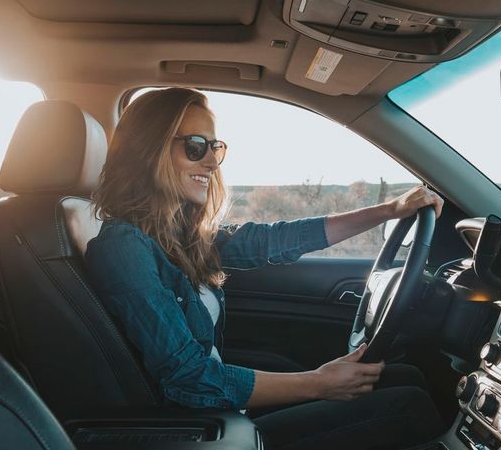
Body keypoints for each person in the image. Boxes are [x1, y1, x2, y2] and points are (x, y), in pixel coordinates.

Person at [85, 87, 446, 450]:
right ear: (149, 151)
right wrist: (319, 382)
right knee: (407, 406)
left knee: (405, 377)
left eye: (215, 147)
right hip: (196, 428)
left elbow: (274, 240)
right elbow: (189, 379)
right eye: (195, 146)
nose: (211, 161)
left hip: (222, 409)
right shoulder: (123, 248)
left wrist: (387, 210)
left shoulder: (180, 236)